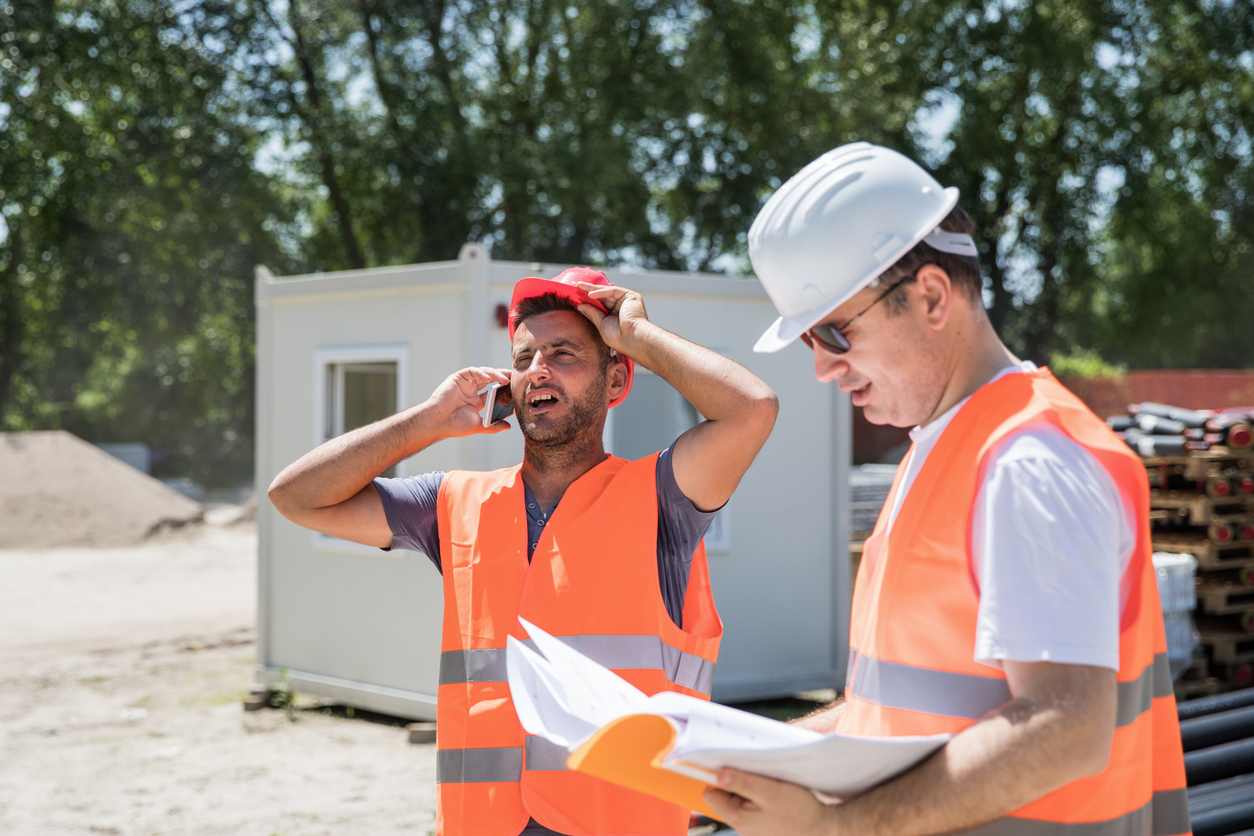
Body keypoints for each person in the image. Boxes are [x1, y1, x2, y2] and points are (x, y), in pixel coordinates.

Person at [703, 143, 1190, 836]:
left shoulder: (1029, 462)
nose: (821, 368)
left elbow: (1066, 727)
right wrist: (741, 766)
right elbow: (898, 709)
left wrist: (837, 827)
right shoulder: (946, 447)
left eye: (834, 333)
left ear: (931, 296)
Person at [268, 267, 779, 836]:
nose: (538, 368)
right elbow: (295, 497)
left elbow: (751, 409)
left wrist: (634, 335)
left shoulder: (663, 497)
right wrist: (431, 421)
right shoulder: (452, 502)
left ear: (616, 381)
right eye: (524, 356)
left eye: (564, 353)